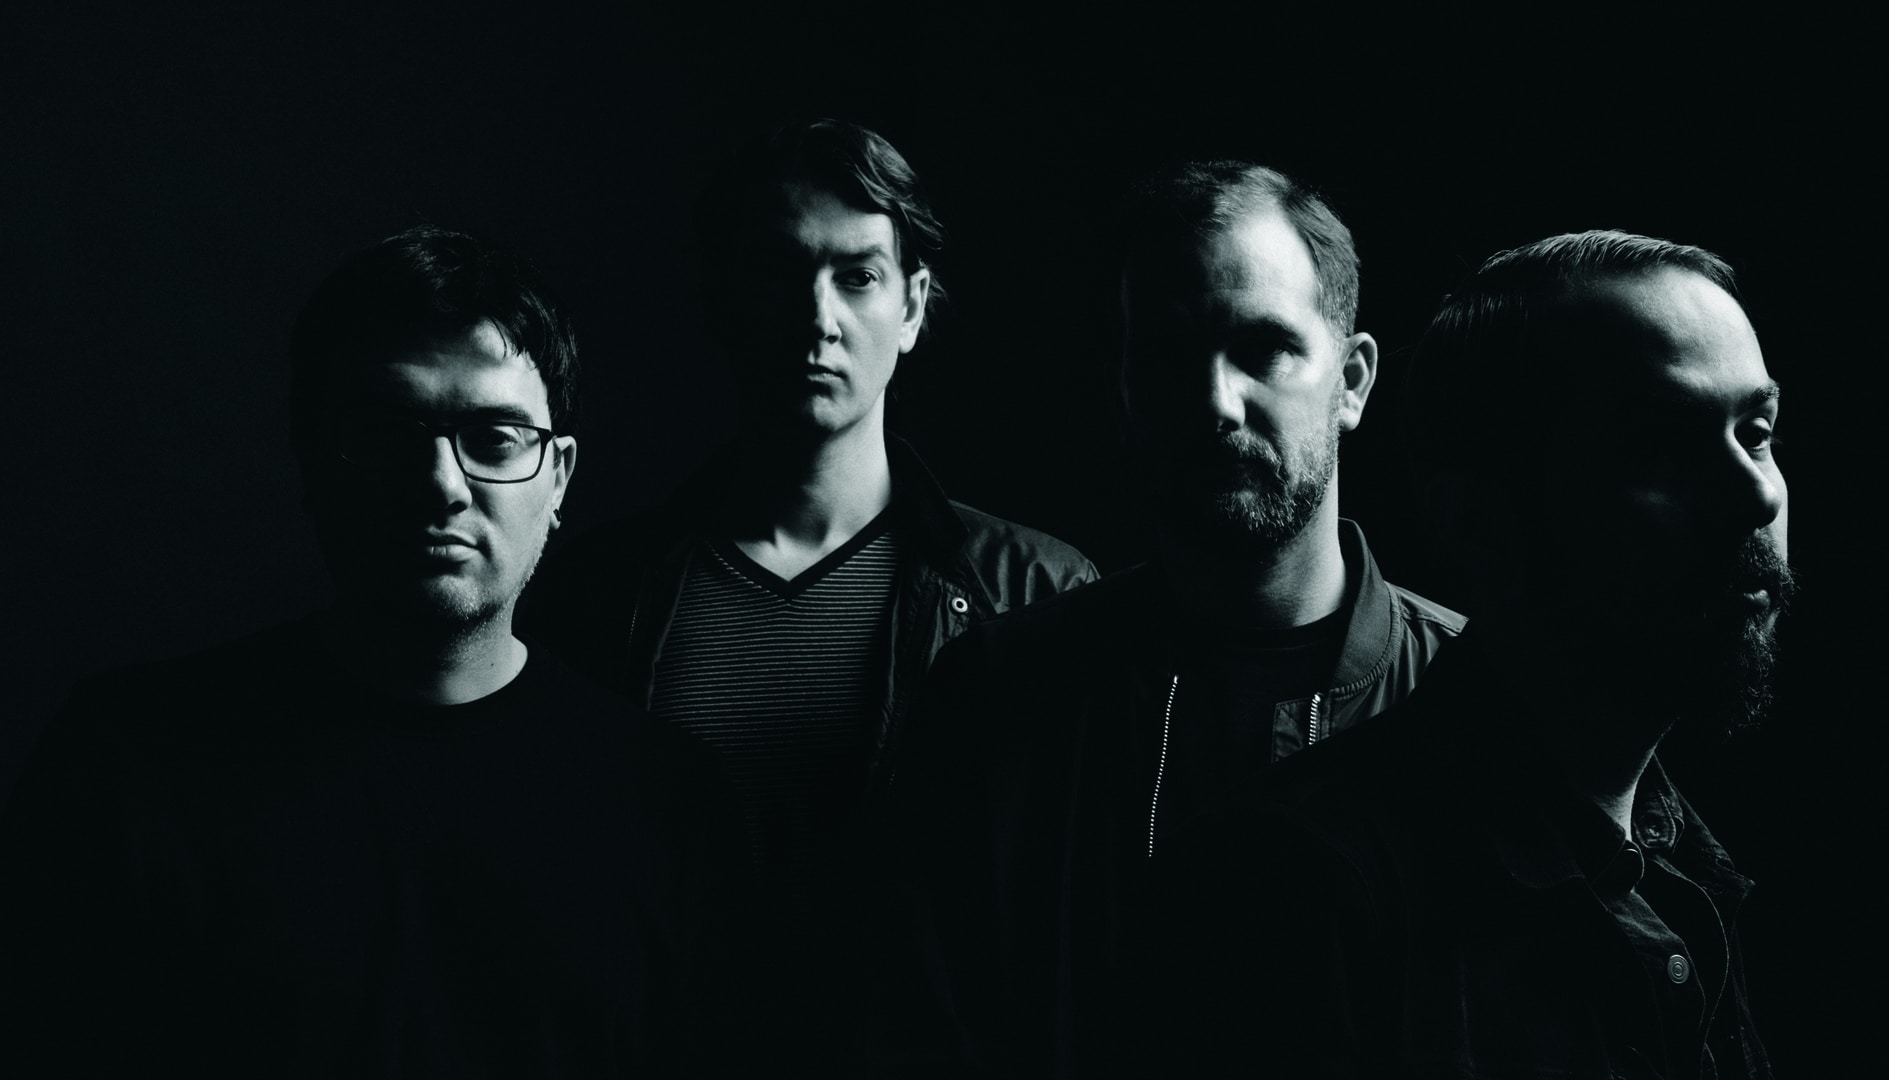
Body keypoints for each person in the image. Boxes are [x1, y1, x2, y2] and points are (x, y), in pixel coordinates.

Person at [0, 226, 747, 1077]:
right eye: (389, 432)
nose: (441, 484)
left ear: (559, 479)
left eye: (495, 438)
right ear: (314, 464)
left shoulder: (670, 806)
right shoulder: (126, 765)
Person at [516, 118, 1096, 1071]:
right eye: (778, 272)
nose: (816, 316)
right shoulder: (596, 598)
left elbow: (1065, 934)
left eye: (857, 276)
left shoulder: (1038, 592)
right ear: (724, 300)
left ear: (912, 307)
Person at [1144, 230, 1791, 1077]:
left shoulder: (1683, 874)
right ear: (1479, 522)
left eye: (1757, 431)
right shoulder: (1288, 897)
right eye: (1663, 447)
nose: (1759, 492)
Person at [874, 160, 1464, 1076]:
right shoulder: (995, 699)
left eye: (1263, 349)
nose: (1215, 403)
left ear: (1351, 382)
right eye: (1165, 357)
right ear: (1122, 388)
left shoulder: (1477, 702)